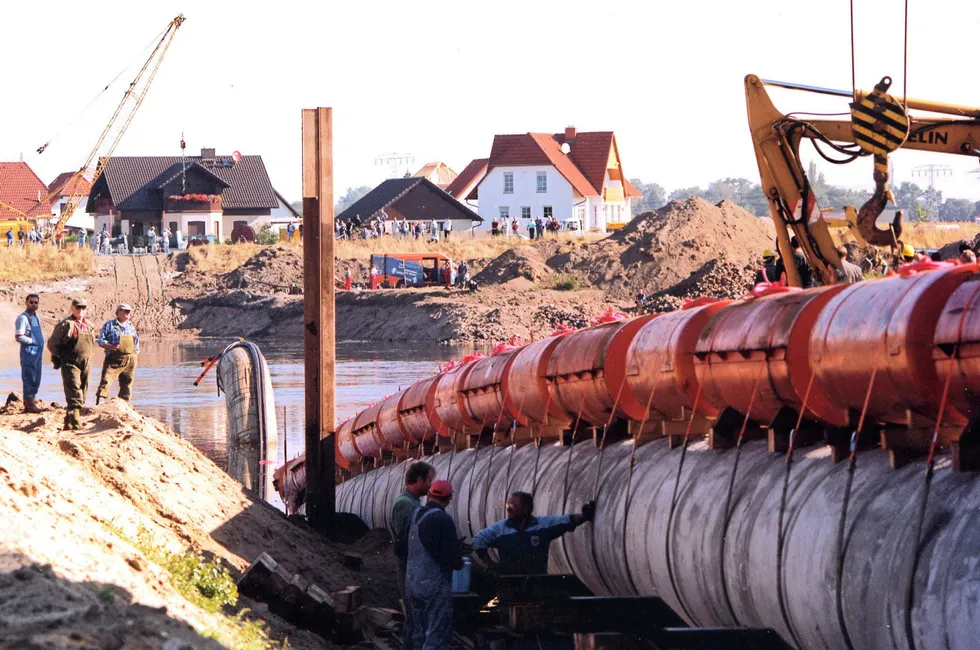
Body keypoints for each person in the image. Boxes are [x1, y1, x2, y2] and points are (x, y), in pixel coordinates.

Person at [472, 491, 596, 577]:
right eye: (507, 505)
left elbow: (566, 520)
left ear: (525, 509)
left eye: (512, 506)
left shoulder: (542, 526)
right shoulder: (500, 528)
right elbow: (478, 540)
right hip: (509, 585)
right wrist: (490, 564)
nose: (508, 509)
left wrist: (584, 516)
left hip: (536, 584)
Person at [405, 480, 463, 650]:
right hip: (433, 586)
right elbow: (452, 558)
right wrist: (458, 561)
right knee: (436, 636)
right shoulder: (443, 520)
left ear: (429, 495)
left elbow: (399, 548)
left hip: (412, 583)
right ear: (449, 498)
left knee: (418, 633)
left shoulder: (413, 515)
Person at [391, 462, 435, 650]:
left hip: (414, 566)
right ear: (419, 480)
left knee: (417, 615)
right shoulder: (404, 504)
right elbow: (407, 538)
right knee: (415, 615)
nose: (430, 486)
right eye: (429, 481)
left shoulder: (413, 502)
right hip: (409, 567)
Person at [47, 298, 96, 431]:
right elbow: (52, 343)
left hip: (86, 362)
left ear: (86, 310)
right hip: (70, 362)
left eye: (83, 308)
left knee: (84, 391)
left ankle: (68, 422)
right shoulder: (66, 325)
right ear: (72, 308)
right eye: (77, 308)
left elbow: (93, 344)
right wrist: (57, 356)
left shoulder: (89, 325)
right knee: (74, 391)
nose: (80, 310)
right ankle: (75, 422)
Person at [96, 304, 140, 404]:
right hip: (113, 359)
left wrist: (136, 352)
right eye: (126, 311)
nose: (128, 313)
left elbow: (136, 341)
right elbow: (100, 340)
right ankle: (99, 405)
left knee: (127, 383)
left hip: (130, 359)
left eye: (129, 311)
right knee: (106, 380)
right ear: (119, 312)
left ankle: (124, 405)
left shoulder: (130, 326)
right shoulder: (109, 325)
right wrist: (110, 346)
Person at [15, 294, 45, 413]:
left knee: (36, 377)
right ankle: (29, 405)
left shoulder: (36, 317)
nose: (34, 304)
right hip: (29, 352)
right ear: (26, 302)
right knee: (29, 377)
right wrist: (33, 341)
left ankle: (32, 402)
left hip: (38, 352)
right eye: (31, 302)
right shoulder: (23, 318)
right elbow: (19, 336)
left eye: (36, 302)